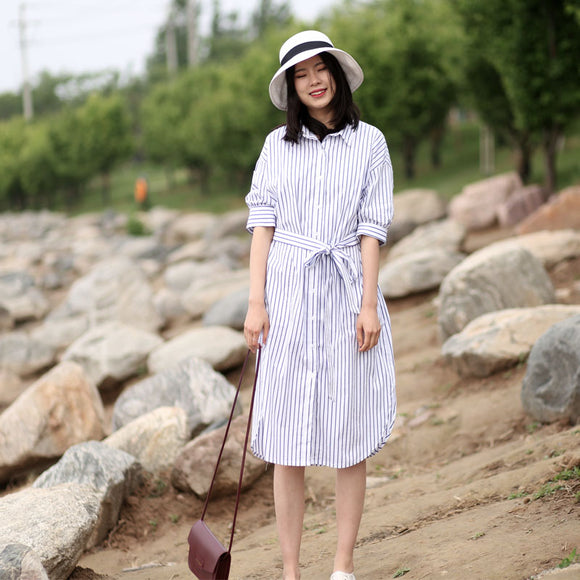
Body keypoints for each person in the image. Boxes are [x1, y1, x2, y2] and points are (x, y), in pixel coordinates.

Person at [243, 30, 396, 580]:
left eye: (320, 68)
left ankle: (343, 566)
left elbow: (371, 229)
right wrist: (256, 303)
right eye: (300, 74)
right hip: (287, 293)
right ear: (291, 86)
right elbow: (263, 226)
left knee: (348, 433)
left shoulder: (370, 142)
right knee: (287, 439)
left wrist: (368, 304)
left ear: (336, 71)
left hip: (346, 289)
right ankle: (290, 570)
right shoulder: (275, 147)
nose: (313, 80)